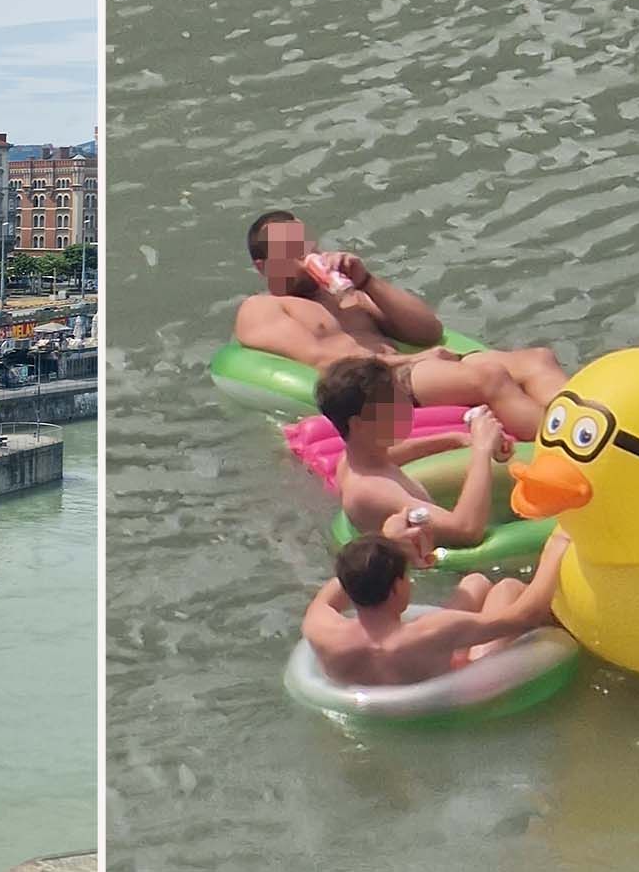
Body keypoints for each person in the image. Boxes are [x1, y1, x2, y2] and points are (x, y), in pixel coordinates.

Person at [233, 210, 568, 439]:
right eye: (291, 250)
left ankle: (584, 426)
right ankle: (565, 449)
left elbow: (427, 331)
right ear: (263, 266)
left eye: (307, 244)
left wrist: (367, 281)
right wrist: (416, 360)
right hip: (377, 383)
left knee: (538, 359)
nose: (306, 254)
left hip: (414, 370)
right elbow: (325, 362)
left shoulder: (343, 293)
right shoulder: (263, 308)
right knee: (489, 375)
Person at [301, 528, 572, 686]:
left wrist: (381, 548)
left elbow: (328, 596)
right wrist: (556, 547)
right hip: (458, 688)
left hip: (405, 674)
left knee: (475, 583)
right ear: (397, 587)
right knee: (507, 588)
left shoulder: (322, 630)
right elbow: (525, 615)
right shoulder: (436, 631)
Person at [317, 355, 510, 547]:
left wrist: (455, 440)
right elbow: (466, 531)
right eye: (392, 404)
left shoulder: (355, 459)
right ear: (358, 424)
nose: (406, 407)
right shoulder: (371, 491)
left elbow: (394, 453)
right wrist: (481, 449)